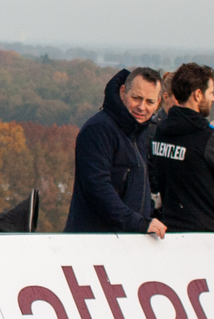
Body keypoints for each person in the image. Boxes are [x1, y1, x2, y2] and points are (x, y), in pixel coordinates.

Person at [64, 67, 168, 237]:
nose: (142, 107)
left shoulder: (140, 131)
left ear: (158, 103)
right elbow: (98, 190)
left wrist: (148, 219)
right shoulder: (98, 130)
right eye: (136, 98)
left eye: (149, 102)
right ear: (123, 92)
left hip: (128, 241)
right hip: (96, 243)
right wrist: (139, 223)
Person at [150, 63, 214, 233]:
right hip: (206, 232)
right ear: (197, 95)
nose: (213, 98)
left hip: (169, 227)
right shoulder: (209, 137)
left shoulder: (161, 131)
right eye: (211, 93)